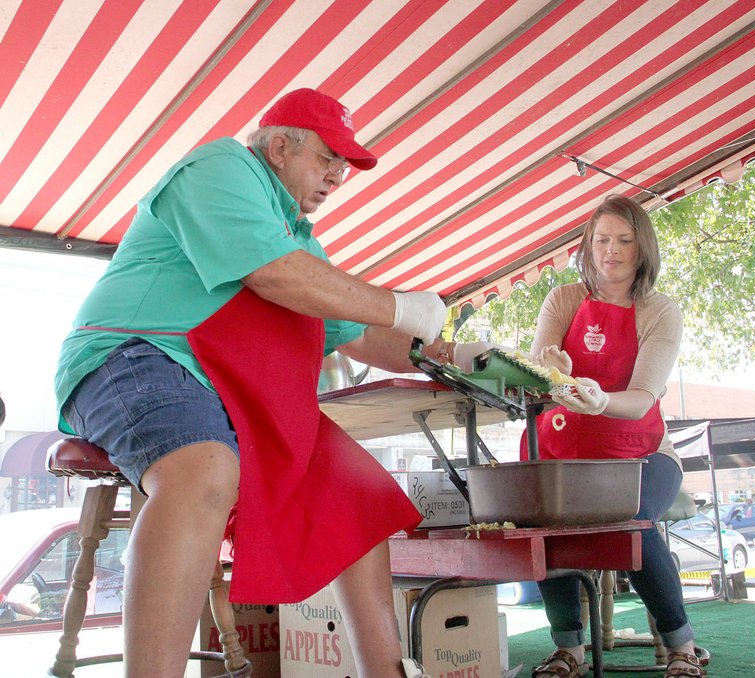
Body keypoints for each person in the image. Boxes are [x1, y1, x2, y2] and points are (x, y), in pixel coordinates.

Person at [54, 88, 492, 678]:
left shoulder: (297, 238)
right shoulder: (220, 167)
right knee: (204, 467)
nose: (338, 175)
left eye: (345, 165)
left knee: (358, 496)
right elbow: (276, 277)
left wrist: (453, 353)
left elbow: (359, 333)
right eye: (328, 158)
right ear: (280, 146)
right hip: (128, 356)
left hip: (223, 390)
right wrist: (400, 305)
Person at [521, 195, 703, 678]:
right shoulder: (561, 299)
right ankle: (568, 651)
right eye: (602, 240)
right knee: (543, 517)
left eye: (624, 241)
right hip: (563, 452)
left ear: (643, 249)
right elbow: (539, 367)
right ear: (587, 245)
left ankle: (682, 645)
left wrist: (602, 402)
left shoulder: (660, 311)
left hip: (641, 454)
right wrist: (550, 371)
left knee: (633, 521)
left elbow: (643, 397)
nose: (612, 251)